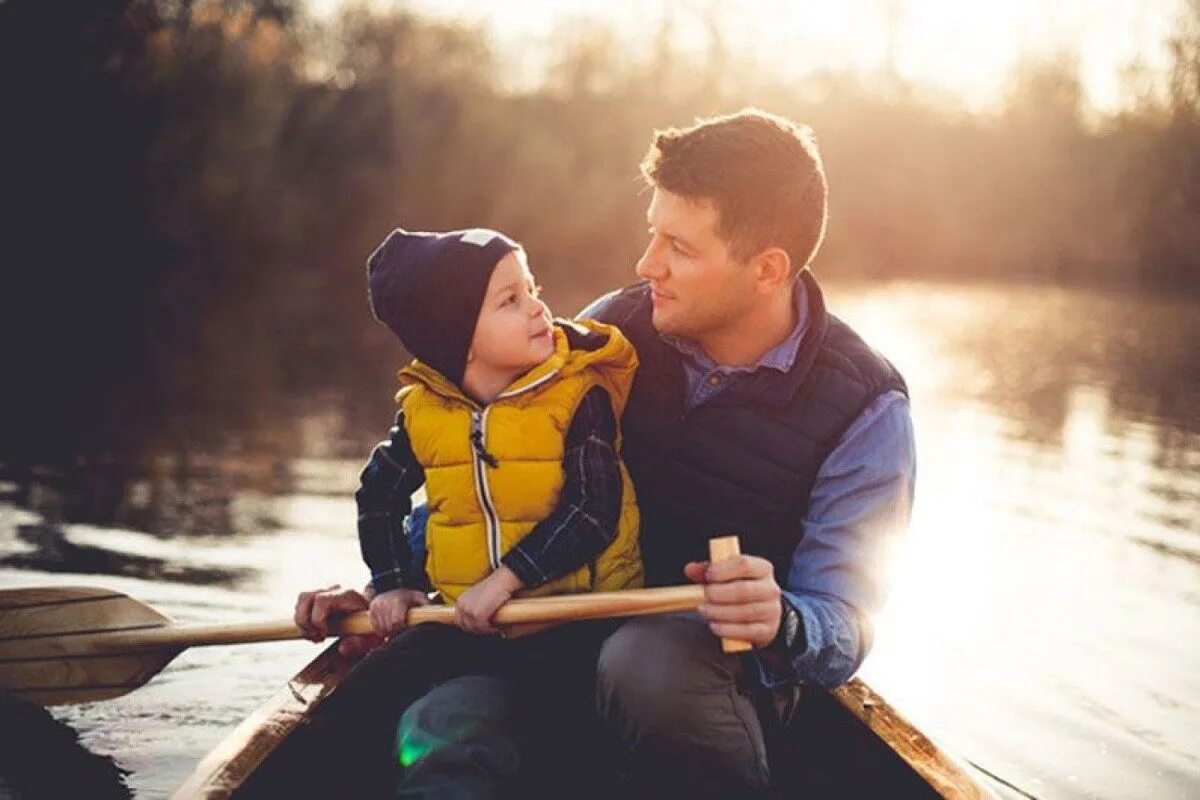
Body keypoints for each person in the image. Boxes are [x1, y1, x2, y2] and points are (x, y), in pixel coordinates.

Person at [299, 109, 915, 799]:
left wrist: (786, 618)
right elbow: (497, 480)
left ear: (767, 270)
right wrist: (390, 587)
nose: (646, 264)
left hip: (713, 689)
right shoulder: (606, 337)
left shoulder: (867, 408)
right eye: (653, 233)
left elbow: (847, 620)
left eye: (677, 246)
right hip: (551, 642)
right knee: (442, 723)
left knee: (645, 660)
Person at [294, 226, 643, 797]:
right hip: (468, 625)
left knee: (562, 748)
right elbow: (378, 496)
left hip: (580, 623)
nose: (538, 308)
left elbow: (592, 510)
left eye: (532, 288)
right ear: (458, 338)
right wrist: (394, 585)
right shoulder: (426, 413)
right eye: (510, 299)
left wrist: (507, 581)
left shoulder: (578, 396)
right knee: (349, 710)